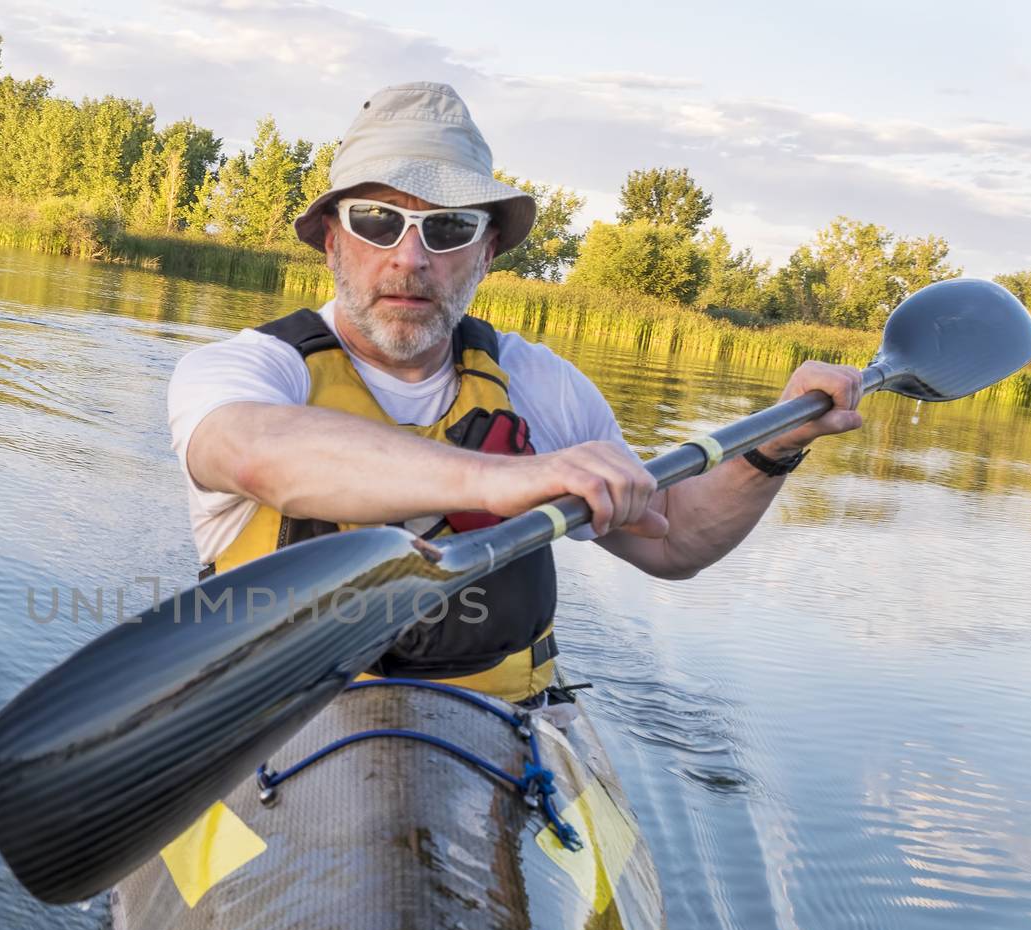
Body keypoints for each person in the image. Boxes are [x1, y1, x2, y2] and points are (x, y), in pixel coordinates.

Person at [166, 81, 863, 702]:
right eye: (376, 221)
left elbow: (672, 536)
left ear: (487, 252)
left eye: (448, 227)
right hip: (272, 737)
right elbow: (259, 452)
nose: (410, 258)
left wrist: (775, 444)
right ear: (330, 241)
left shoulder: (543, 386)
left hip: (498, 741)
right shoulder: (248, 371)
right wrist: (502, 479)